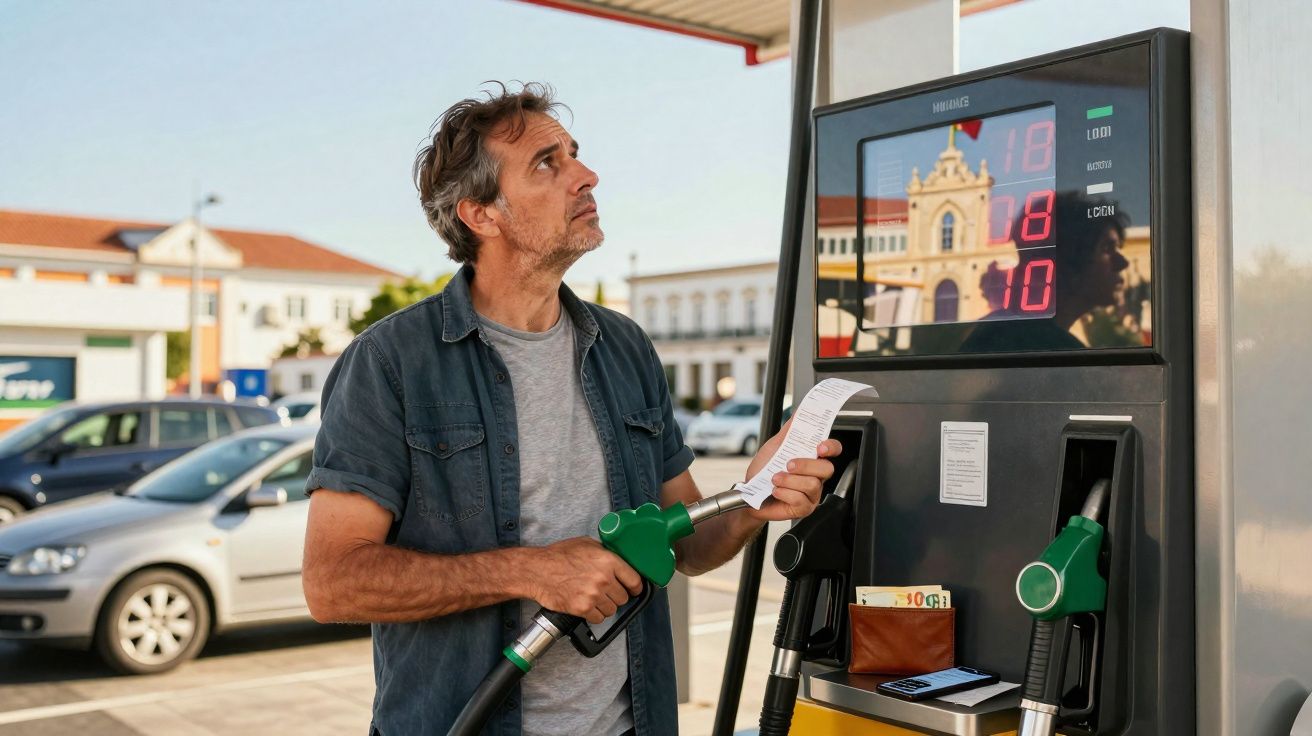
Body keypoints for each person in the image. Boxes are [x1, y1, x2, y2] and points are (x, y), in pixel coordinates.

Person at [300, 82, 842, 736]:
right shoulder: (392, 363)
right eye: (546, 164)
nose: (586, 176)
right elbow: (333, 584)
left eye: (574, 155)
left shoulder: (623, 348)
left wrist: (753, 498)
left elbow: (690, 547)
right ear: (482, 214)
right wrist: (533, 571)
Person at [961, 191, 1131, 352]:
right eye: (1107, 248)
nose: (1123, 263)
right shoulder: (1055, 349)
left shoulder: (989, 333)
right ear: (1069, 255)